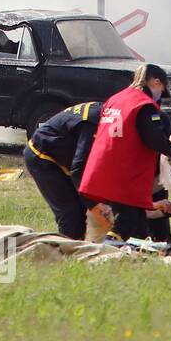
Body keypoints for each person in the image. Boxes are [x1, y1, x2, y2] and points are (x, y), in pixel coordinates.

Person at [79, 64, 171, 240]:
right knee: (127, 220)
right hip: (124, 173)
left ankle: (138, 256)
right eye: (162, 91)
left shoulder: (116, 99)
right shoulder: (144, 105)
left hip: (102, 168)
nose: (160, 97)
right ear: (156, 82)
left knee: (138, 224)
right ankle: (106, 252)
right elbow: (154, 139)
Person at [23, 101, 102, 239]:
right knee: (71, 214)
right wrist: (94, 205)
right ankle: (66, 254)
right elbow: (78, 169)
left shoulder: (103, 113)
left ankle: (76, 248)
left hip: (63, 158)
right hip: (43, 156)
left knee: (80, 210)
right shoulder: (93, 122)